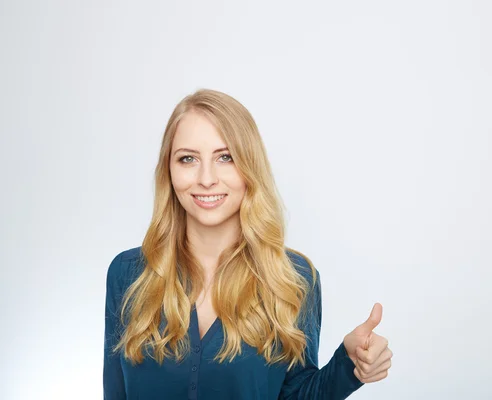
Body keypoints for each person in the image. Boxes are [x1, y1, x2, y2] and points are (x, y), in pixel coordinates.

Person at [103, 89, 393, 399]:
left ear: (249, 165)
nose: (206, 178)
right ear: (169, 170)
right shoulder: (129, 274)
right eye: (188, 158)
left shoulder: (293, 280)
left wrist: (347, 366)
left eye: (225, 157)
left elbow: (295, 394)